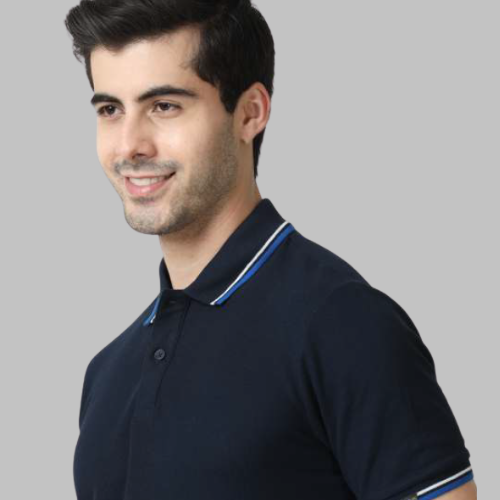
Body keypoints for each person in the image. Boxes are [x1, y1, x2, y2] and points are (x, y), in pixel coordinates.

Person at [64, 1, 477, 499]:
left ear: (250, 113)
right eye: (110, 110)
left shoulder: (343, 324)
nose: (129, 145)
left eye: (164, 106)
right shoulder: (107, 374)